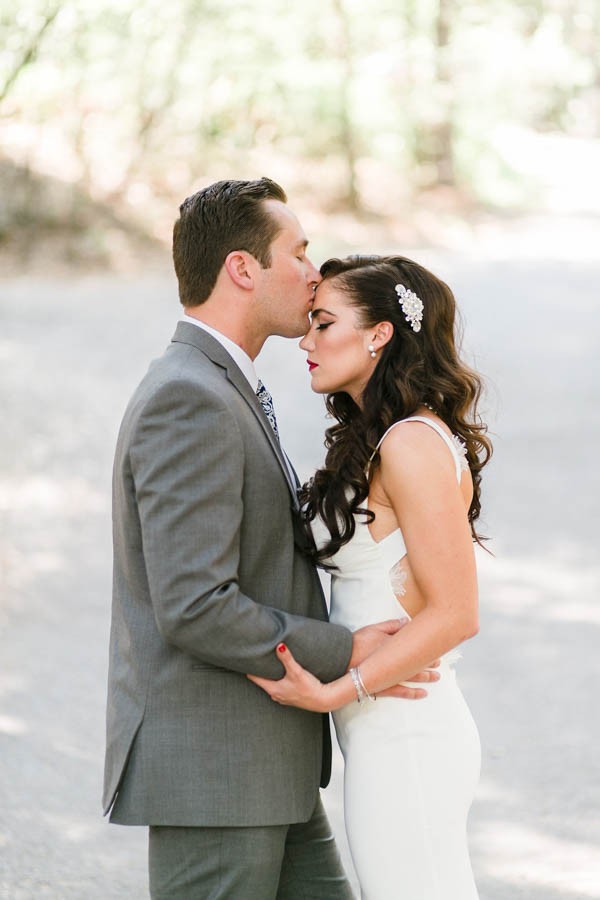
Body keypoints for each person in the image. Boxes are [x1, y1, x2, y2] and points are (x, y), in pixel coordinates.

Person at [103, 180, 438, 900]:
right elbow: (194, 603)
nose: (314, 273)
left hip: (264, 769)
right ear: (242, 269)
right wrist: (344, 651)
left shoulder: (226, 385)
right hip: (216, 774)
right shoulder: (188, 396)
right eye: (299, 252)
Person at [249, 254, 493, 899]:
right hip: (384, 728)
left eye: (324, 323)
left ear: (380, 333)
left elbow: (456, 611)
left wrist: (337, 691)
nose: (305, 340)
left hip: (405, 728)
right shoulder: (380, 436)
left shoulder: (411, 443)